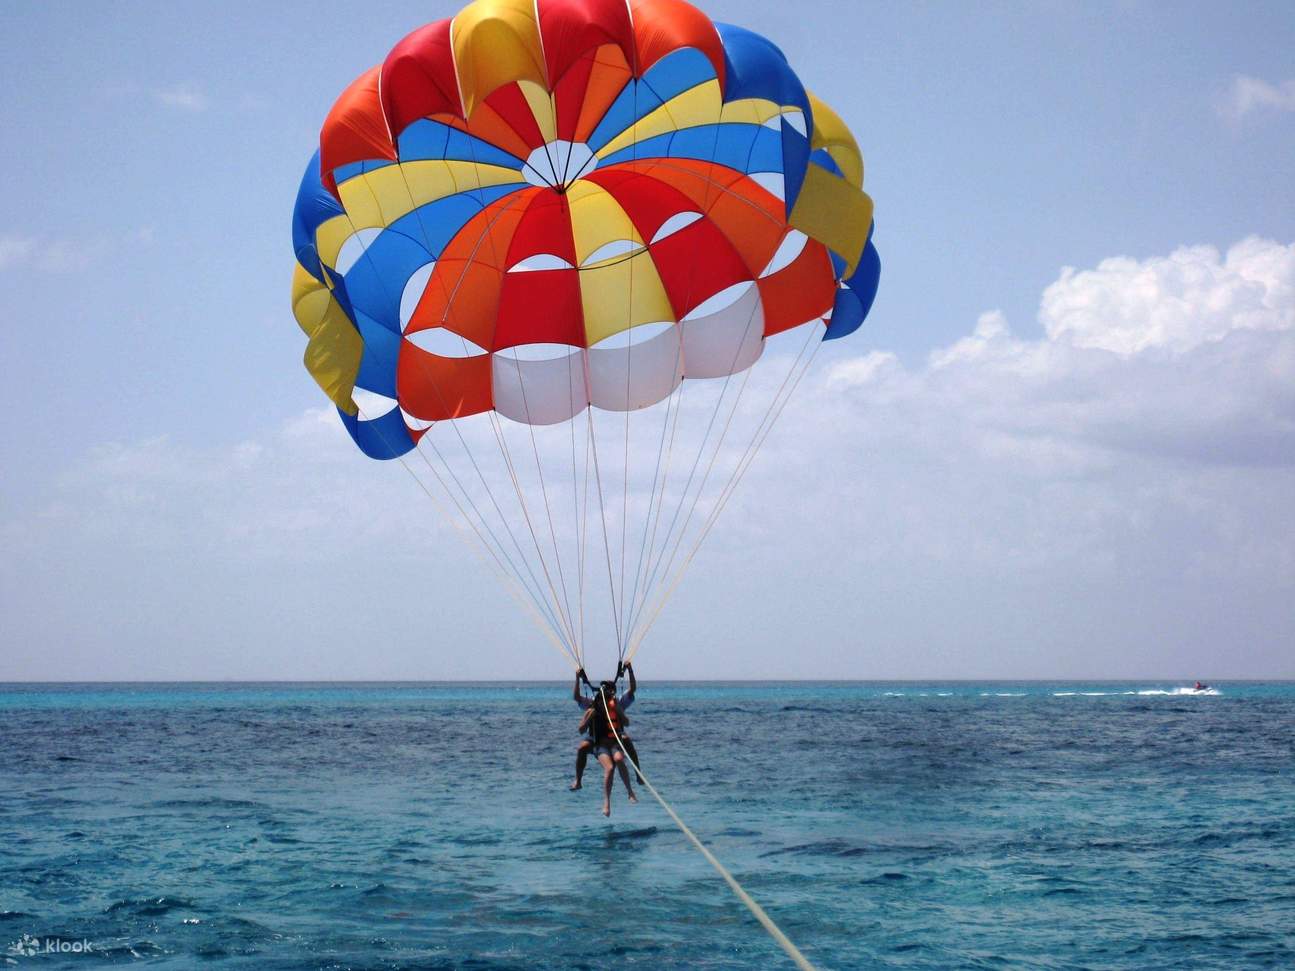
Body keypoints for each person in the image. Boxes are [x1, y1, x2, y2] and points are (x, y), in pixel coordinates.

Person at [570, 663, 641, 790]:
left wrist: (630, 671)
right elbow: (576, 697)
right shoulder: (593, 705)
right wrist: (577, 678)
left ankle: (638, 774)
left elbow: (632, 690)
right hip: (595, 738)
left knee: (627, 740)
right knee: (582, 748)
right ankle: (578, 780)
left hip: (615, 737)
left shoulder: (618, 703)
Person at [579, 680, 638, 817]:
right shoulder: (592, 709)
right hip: (600, 746)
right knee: (610, 768)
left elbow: (627, 723)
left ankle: (630, 791)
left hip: (614, 743)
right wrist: (589, 718)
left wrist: (619, 711)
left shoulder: (616, 706)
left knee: (619, 758)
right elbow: (581, 730)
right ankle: (606, 803)